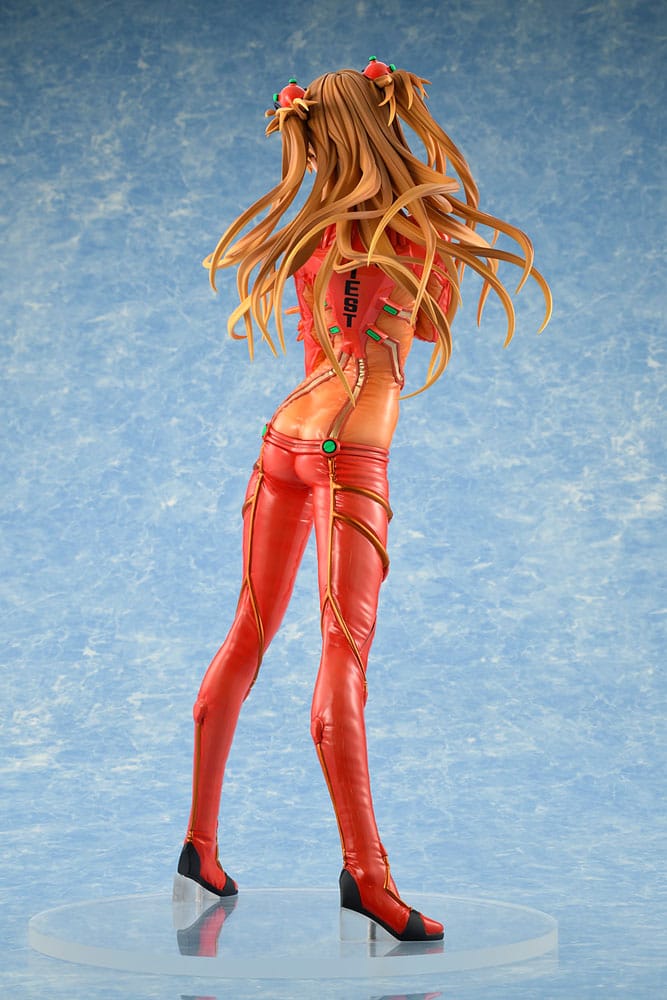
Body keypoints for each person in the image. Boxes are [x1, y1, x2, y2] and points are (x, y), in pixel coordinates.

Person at [174, 59, 551, 942]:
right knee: (341, 656)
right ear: (388, 122)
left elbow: (324, 331)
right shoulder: (417, 230)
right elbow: (418, 327)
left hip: (284, 437)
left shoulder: (312, 237)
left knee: (246, 634)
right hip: (351, 453)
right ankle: (366, 877)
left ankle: (198, 847)